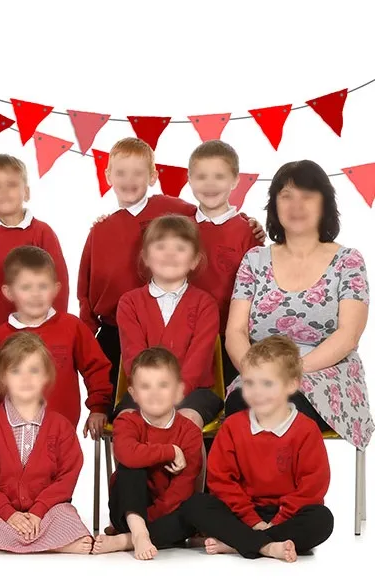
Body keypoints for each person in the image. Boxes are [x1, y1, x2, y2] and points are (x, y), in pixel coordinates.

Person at [225, 160, 372, 448]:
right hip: (260, 370)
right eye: (286, 196)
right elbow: (236, 332)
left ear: (325, 205)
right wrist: (257, 373)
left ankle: (298, 494)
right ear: (274, 205)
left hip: (325, 374)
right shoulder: (254, 260)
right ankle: (247, 493)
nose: (296, 205)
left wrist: (289, 372)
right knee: (242, 404)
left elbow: (348, 336)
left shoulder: (348, 261)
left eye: (307, 196)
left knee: (285, 407)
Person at [183, 336, 334, 562]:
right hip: (243, 512)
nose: (256, 392)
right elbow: (221, 481)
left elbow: (312, 487)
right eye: (250, 383)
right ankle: (266, 546)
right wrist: (252, 521)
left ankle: (239, 543)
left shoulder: (306, 429)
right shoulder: (233, 426)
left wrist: (276, 521)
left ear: (292, 384)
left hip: (287, 515)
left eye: (267, 383)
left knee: (322, 520)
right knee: (195, 505)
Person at [0, 332, 92, 554]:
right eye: (16, 371)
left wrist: (38, 511)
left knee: (66, 515)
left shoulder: (60, 425)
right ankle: (53, 545)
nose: (25, 378)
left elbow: (67, 476)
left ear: (46, 376)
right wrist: (9, 513)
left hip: (45, 513)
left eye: (33, 371)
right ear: (3, 378)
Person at [77, 138, 197, 396]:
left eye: (137, 173)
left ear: (152, 176)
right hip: (114, 333)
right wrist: (84, 337)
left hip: (161, 328)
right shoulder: (100, 230)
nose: (128, 180)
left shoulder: (171, 209)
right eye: (120, 173)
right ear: (108, 176)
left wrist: (246, 220)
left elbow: (208, 217)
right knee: (112, 404)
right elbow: (85, 290)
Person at [0, 246, 111, 439]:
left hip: (62, 435)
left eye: (43, 286)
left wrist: (98, 407)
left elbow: (96, 368)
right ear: (9, 292)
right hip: (12, 437)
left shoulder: (72, 327)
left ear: (56, 288)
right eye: (26, 287)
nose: (35, 294)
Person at [92, 348, 202, 560]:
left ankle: (126, 540)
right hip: (126, 509)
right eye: (145, 386)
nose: (154, 393)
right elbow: (126, 454)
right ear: (133, 394)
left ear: (179, 392)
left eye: (163, 385)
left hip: (167, 514)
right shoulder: (127, 421)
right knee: (130, 465)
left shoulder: (189, 432)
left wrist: (150, 521)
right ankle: (138, 531)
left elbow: (182, 489)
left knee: (192, 512)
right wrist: (170, 451)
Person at [115, 215, 223, 427]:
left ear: (194, 260)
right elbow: (133, 355)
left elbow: (198, 358)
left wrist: (176, 393)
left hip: (193, 391)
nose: (170, 254)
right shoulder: (129, 303)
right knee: (126, 420)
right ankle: (137, 460)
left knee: (186, 420)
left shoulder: (205, 304)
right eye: (161, 246)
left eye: (180, 248)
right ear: (145, 256)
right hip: (144, 390)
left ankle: (180, 461)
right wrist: (151, 392)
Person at [185, 141, 263, 386]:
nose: (209, 184)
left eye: (219, 176)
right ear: (189, 179)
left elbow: (259, 286)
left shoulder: (247, 231)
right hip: (188, 334)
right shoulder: (181, 227)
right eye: (201, 176)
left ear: (235, 180)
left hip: (234, 335)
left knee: (232, 404)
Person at [0, 154, 69, 336]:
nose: (4, 192)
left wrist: (57, 328)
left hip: (36, 332)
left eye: (12, 185)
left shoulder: (42, 232)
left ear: (27, 192)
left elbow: (59, 281)